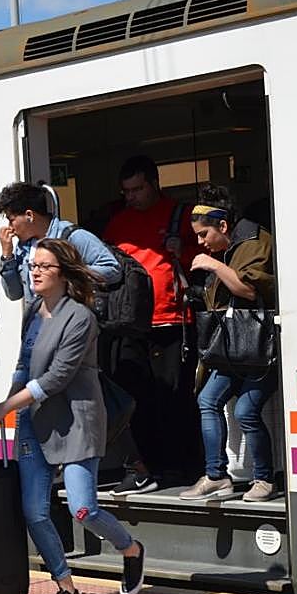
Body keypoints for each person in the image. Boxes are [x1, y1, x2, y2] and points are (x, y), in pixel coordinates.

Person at [0, 238, 146, 594]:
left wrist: (4, 406)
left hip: (76, 422)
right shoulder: (33, 312)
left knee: (83, 509)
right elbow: (23, 366)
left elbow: (57, 377)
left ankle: (131, 549)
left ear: (64, 273)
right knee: (34, 511)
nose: (34, 272)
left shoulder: (81, 318)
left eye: (44, 266)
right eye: (32, 266)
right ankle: (66, 588)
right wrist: (6, 406)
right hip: (33, 422)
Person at [103, 156, 202, 494]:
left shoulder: (181, 215)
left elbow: (209, 252)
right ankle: (147, 467)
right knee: (136, 399)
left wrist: (182, 251)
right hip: (131, 324)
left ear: (154, 184)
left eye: (138, 189)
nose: (131, 196)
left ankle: (180, 467)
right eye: (126, 191)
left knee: (174, 397)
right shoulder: (117, 223)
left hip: (172, 321)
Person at [179, 185, 278, 503]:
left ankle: (264, 479)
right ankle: (216, 476)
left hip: (259, 346)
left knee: (246, 411)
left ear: (223, 225)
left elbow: (249, 290)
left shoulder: (253, 242)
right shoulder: (231, 247)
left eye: (203, 234)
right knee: (207, 400)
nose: (200, 242)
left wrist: (214, 266)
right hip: (234, 345)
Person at [0, 181, 119, 303]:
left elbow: (113, 269)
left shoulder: (71, 236)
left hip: (69, 314)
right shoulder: (23, 247)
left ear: (29, 215)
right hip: (39, 316)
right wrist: (7, 256)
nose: (9, 227)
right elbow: (14, 294)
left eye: (11, 220)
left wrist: (68, 274)